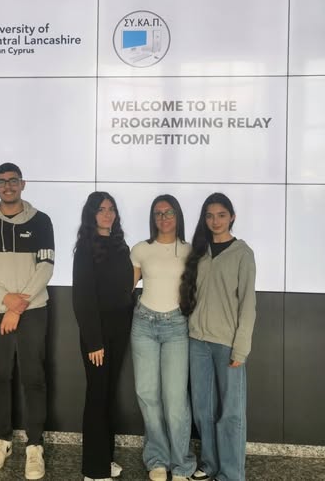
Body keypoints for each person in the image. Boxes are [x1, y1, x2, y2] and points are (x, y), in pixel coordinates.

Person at [0, 162, 54, 481]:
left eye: (13, 180)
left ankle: (35, 445)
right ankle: (3, 439)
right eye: (1, 181)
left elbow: (46, 266)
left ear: (23, 184)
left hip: (32, 310)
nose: (7, 186)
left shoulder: (42, 221)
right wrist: (6, 300)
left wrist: (18, 306)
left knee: (33, 377)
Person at [180, 193, 257, 481]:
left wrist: (241, 348)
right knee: (203, 409)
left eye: (221, 215)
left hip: (227, 344)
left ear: (232, 217)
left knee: (231, 412)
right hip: (198, 342)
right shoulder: (199, 252)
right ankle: (210, 464)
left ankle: (232, 473)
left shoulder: (242, 253)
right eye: (210, 215)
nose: (216, 221)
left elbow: (248, 304)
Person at [130, 195, 196, 481]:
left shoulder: (190, 250)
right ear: (152, 218)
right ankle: (157, 458)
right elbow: (126, 286)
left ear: (177, 215)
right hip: (144, 324)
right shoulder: (141, 249)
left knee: (175, 400)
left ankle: (182, 464)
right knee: (147, 394)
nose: (163, 217)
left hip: (177, 327)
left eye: (169, 212)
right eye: (158, 213)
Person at [72, 191, 134, 481]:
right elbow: (82, 298)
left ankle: (105, 459)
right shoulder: (85, 247)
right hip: (96, 334)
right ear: (91, 214)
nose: (107, 214)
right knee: (97, 397)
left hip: (119, 332)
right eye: (101, 209)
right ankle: (93, 471)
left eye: (111, 208)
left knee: (108, 396)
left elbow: (125, 288)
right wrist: (94, 341)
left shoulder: (121, 246)